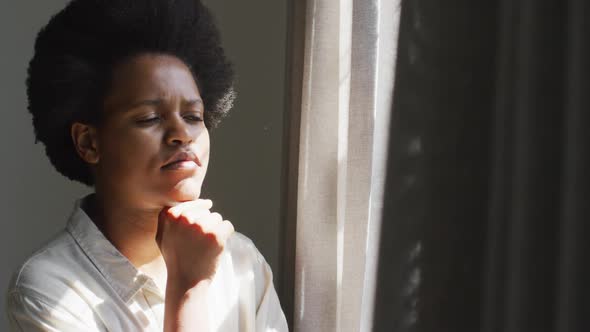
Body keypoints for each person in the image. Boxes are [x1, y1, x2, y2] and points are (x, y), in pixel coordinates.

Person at [5, 0, 288, 331]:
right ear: (88, 143)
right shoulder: (47, 291)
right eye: (150, 118)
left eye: (194, 116)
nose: (182, 134)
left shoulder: (240, 261)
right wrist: (188, 290)